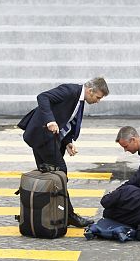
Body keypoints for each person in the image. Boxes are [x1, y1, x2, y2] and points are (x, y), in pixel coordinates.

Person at [17, 77, 110, 229]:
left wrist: (67, 142)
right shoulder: (70, 90)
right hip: (43, 136)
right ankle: (68, 215)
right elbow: (43, 97)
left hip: (47, 139)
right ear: (90, 91)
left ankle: (52, 213)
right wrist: (50, 121)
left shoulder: (79, 100)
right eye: (98, 97)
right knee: (60, 174)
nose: (98, 101)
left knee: (50, 176)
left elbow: (64, 120)